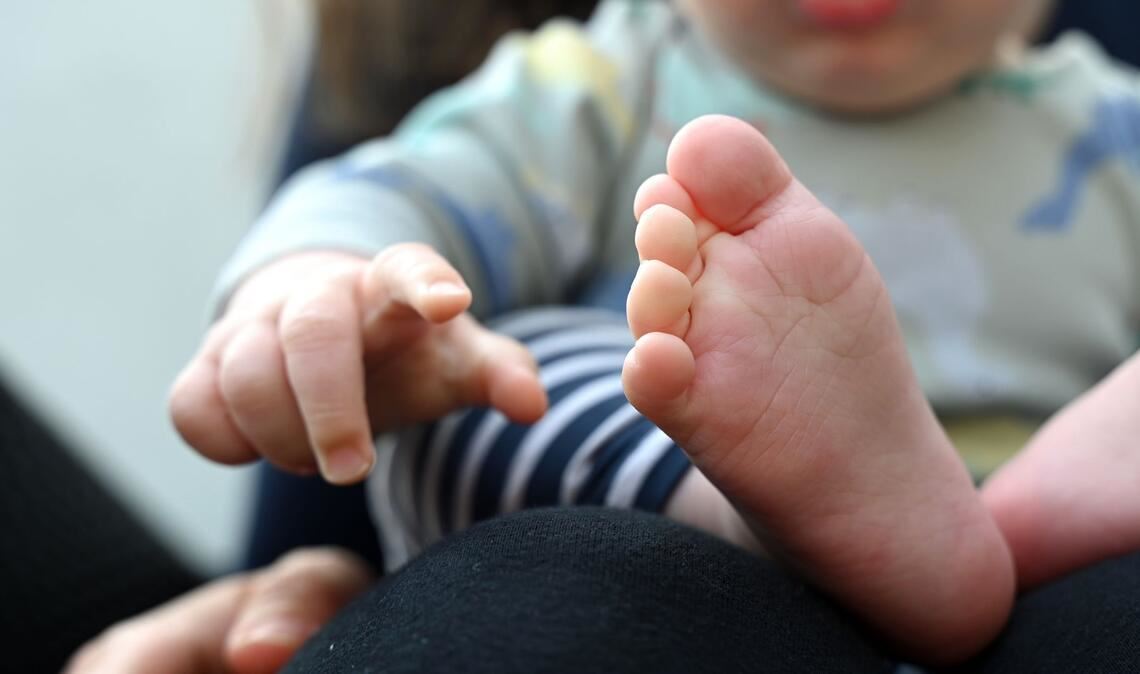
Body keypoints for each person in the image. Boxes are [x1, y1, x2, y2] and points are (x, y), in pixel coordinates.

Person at [75, 0, 1140, 670]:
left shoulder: (1115, 124)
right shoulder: (598, 83)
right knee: (495, 367)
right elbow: (390, 190)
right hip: (666, 515)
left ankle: (981, 519)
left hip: (1017, 577)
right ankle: (765, 511)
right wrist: (315, 284)